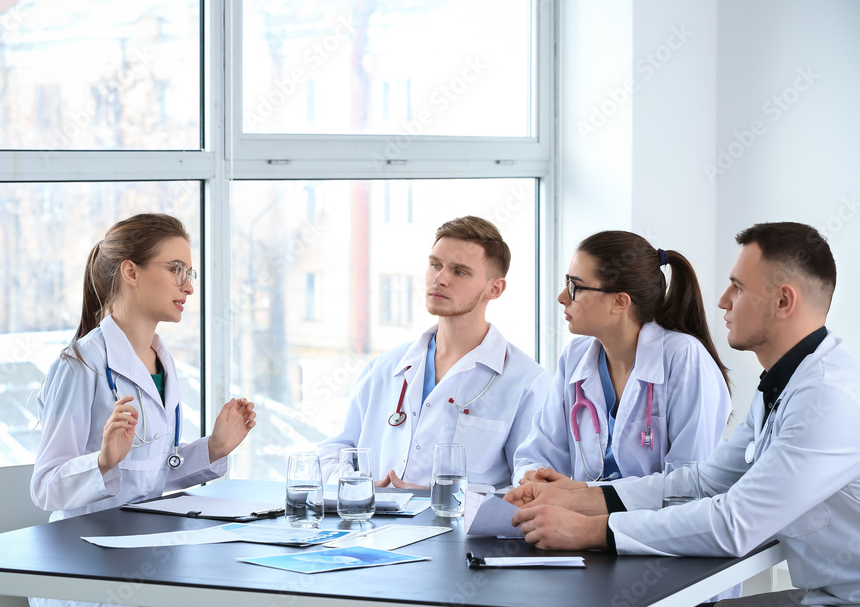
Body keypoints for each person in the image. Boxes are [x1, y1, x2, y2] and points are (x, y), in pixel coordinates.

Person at [505, 222, 860, 606]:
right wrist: (577, 496)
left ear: (784, 301)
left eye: (738, 287)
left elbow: (733, 524)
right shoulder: (785, 384)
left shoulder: (828, 397)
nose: (723, 300)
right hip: (824, 593)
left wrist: (592, 530)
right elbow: (702, 483)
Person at [30, 214, 256, 606]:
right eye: (175, 270)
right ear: (131, 272)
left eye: (190, 272)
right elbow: (45, 485)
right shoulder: (79, 366)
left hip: (142, 553)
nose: (188, 286)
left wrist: (214, 448)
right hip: (83, 566)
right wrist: (102, 462)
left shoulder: (163, 363)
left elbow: (152, 472)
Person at [318, 216, 550, 489]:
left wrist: (441, 497)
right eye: (435, 265)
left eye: (459, 271)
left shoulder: (527, 381)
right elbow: (332, 452)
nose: (439, 279)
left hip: (460, 531)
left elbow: (529, 488)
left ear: (494, 288)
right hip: (375, 528)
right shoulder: (385, 367)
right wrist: (356, 487)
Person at [512, 231, 732, 486]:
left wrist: (583, 494)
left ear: (619, 302)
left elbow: (688, 482)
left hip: (655, 524)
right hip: (576, 518)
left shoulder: (684, 357)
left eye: (575, 286)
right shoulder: (574, 357)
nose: (562, 297)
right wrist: (532, 479)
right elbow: (536, 454)